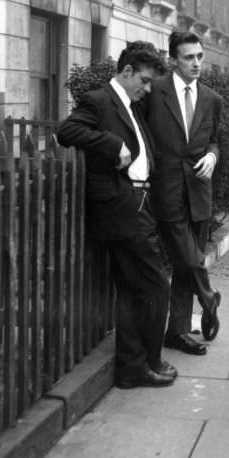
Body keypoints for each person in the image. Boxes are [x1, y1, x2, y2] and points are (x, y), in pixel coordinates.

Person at [57, 41, 176, 389]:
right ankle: (144, 362)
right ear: (125, 72)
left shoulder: (132, 103)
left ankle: (132, 367)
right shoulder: (99, 100)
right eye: (144, 79)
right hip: (122, 209)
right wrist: (113, 145)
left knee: (133, 291)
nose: (147, 88)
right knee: (156, 287)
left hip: (139, 205)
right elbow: (67, 131)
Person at [145, 31, 223, 356]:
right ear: (174, 59)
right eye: (189, 57)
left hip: (199, 192)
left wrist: (212, 156)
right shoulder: (155, 92)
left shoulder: (212, 99)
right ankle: (209, 298)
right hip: (166, 191)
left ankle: (176, 331)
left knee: (183, 263)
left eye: (200, 57)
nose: (196, 63)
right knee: (189, 257)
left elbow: (216, 140)